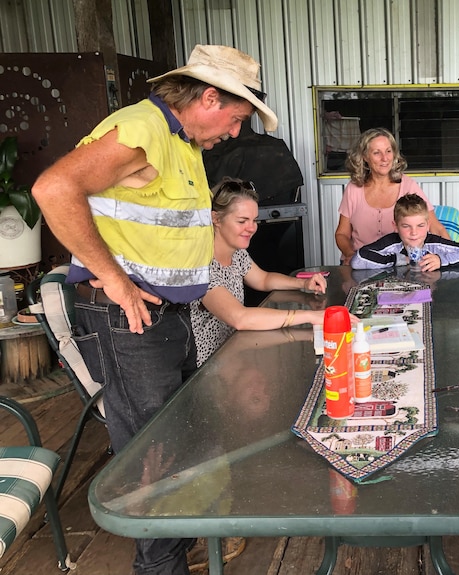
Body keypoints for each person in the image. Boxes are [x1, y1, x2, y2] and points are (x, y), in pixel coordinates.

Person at [31, 44, 278, 575]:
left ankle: (186, 545)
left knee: (188, 431)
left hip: (172, 318)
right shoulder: (141, 126)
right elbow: (54, 188)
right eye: (235, 119)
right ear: (209, 97)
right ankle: (160, 565)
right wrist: (116, 280)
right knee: (155, 452)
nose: (234, 133)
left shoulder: (180, 143)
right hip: (131, 321)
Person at [191, 177, 331, 366]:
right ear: (216, 219)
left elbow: (263, 279)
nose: (252, 228)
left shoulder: (237, 253)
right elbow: (239, 318)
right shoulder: (201, 263)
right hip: (207, 369)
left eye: (254, 220)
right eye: (242, 221)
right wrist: (309, 316)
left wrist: (303, 284)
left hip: (233, 355)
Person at [334, 128, 450, 263]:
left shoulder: (408, 186)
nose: (385, 158)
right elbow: (342, 234)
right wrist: (351, 255)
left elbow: (435, 227)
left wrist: (446, 258)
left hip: (399, 264)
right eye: (377, 153)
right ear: (365, 157)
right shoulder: (353, 189)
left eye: (388, 151)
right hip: (362, 265)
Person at [350, 194, 459, 271]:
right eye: (406, 226)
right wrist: (398, 260)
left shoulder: (435, 243)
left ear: (428, 225)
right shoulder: (391, 243)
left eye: (420, 225)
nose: (414, 233)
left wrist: (442, 260)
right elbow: (358, 260)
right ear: (395, 226)